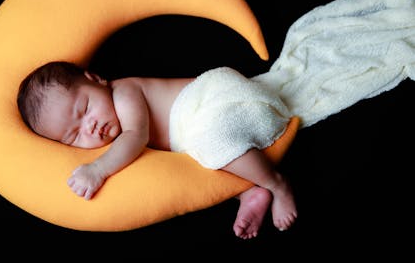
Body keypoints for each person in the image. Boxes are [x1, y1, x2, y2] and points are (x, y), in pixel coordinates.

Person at [17, 61, 297, 239]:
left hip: (213, 98)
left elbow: (136, 137)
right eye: (74, 135)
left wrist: (98, 169)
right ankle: (248, 193)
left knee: (213, 139)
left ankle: (277, 184)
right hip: (192, 131)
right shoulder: (107, 123)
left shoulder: (123, 93)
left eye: (85, 109)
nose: (90, 128)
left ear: (95, 78)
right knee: (201, 161)